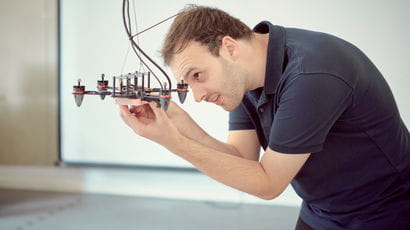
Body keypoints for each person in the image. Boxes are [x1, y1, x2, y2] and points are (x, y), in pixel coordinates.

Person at [118, 5, 410, 229]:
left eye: (198, 75)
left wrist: (172, 142)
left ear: (229, 47)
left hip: (386, 211)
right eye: (189, 82)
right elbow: (241, 159)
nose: (197, 95)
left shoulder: (311, 75)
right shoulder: (244, 79)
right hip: (323, 209)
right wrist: (175, 120)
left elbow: (267, 183)